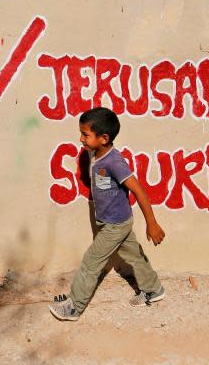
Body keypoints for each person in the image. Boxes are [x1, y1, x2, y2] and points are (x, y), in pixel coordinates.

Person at [49, 107, 166, 321]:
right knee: (134, 255)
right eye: (81, 133)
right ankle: (153, 289)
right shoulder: (95, 153)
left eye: (85, 135)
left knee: (91, 261)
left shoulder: (114, 162)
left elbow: (138, 189)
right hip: (116, 220)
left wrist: (152, 223)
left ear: (104, 138)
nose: (81, 139)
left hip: (115, 224)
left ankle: (74, 306)